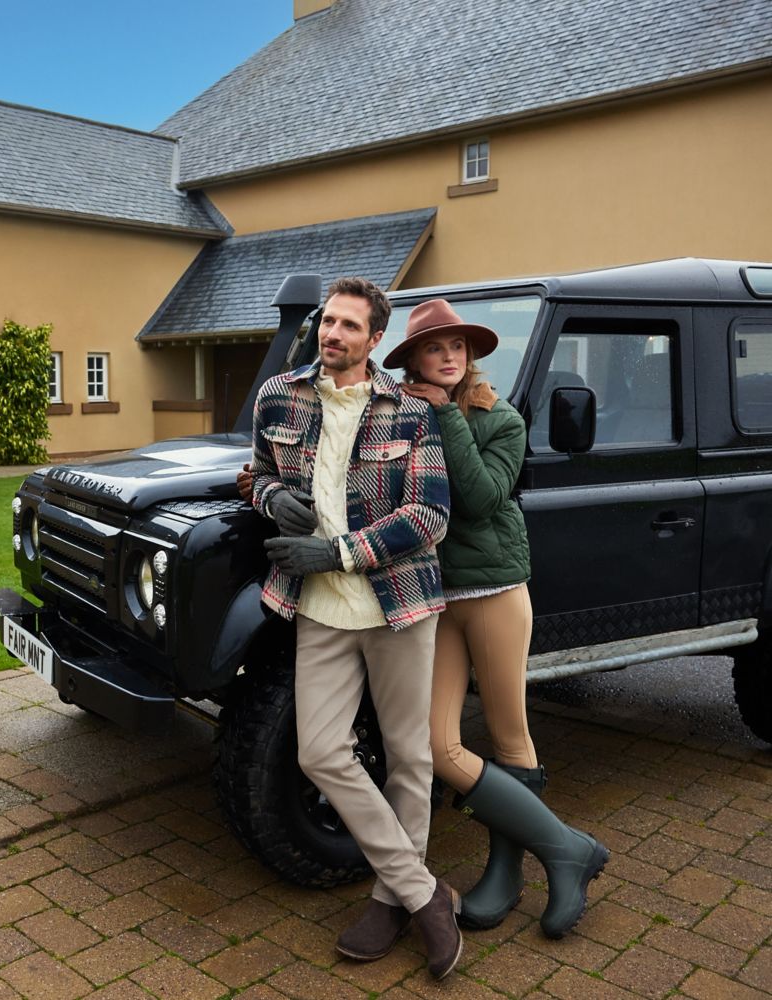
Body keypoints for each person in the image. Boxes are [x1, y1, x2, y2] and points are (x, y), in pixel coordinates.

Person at [249, 276, 462, 978]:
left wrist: (339, 552)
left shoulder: (410, 412)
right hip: (320, 608)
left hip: (397, 603)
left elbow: (429, 516)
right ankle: (425, 893)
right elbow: (256, 473)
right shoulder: (279, 396)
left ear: (375, 339)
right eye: (328, 322)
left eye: (349, 326)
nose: (333, 334)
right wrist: (271, 497)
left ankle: (389, 900)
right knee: (319, 752)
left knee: (408, 758)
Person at [385, 298, 609, 938]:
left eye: (457, 345)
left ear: (470, 353)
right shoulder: (399, 415)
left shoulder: (500, 418)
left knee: (511, 737)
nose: (449, 356)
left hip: (494, 592)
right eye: (435, 347)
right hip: (435, 596)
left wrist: (444, 416)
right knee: (435, 746)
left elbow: (482, 499)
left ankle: (508, 871)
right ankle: (567, 847)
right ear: (414, 359)